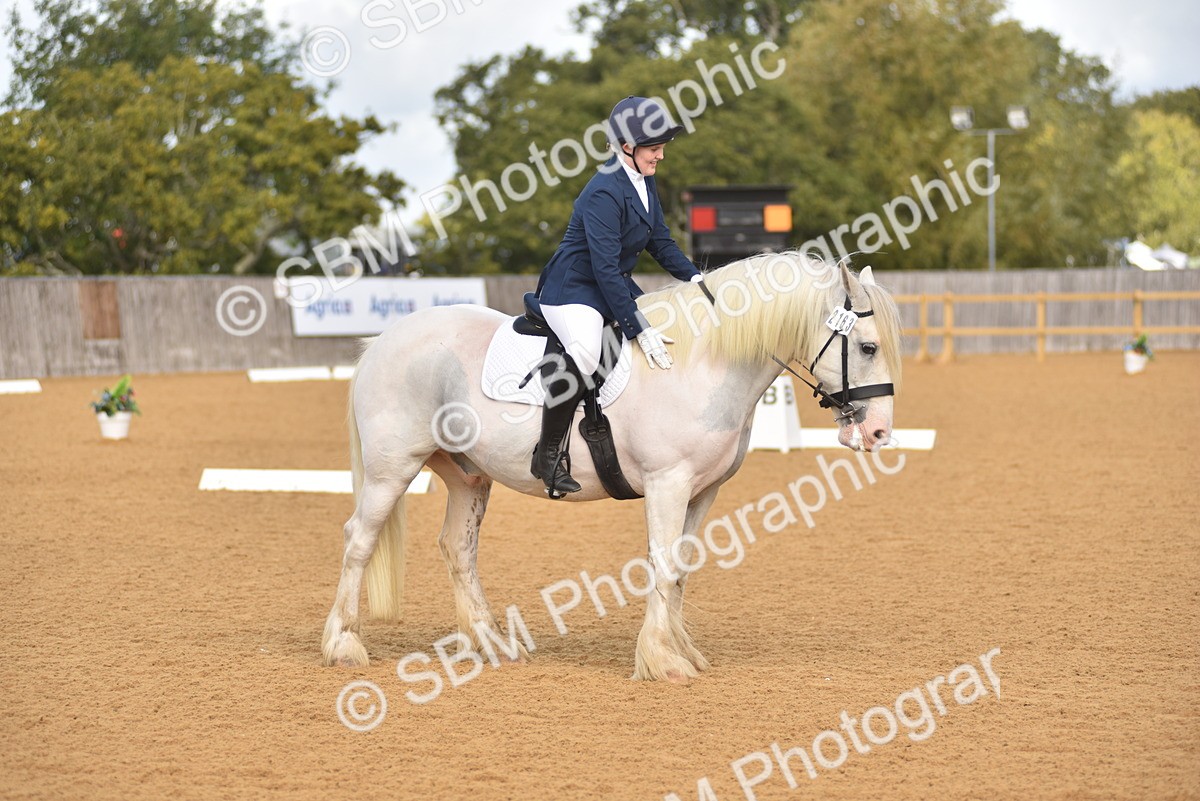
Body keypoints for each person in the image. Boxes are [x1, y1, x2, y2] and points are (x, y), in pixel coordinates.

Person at [530, 95, 705, 497]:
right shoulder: (603, 191)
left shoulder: (644, 181)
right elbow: (605, 267)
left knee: (663, 331)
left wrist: (696, 280)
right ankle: (549, 454)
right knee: (589, 351)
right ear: (627, 145)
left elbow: (659, 241)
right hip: (573, 288)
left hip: (608, 282)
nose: (660, 156)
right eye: (654, 148)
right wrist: (636, 326)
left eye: (661, 148)